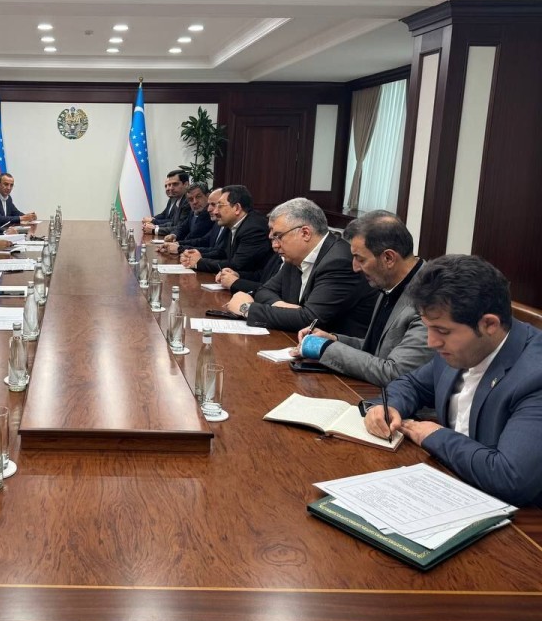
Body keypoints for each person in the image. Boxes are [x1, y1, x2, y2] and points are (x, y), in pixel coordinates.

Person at [364, 255, 542, 507]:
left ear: (489, 324)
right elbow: (413, 384)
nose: (431, 342)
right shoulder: (459, 347)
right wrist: (389, 406)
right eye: (428, 327)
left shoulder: (535, 377)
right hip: (448, 484)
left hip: (519, 519)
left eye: (442, 331)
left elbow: (510, 478)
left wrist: (435, 435)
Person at [295, 211, 432, 387]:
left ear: (388, 258)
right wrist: (334, 340)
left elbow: (395, 373)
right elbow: (378, 350)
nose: (355, 268)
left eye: (360, 259)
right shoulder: (389, 281)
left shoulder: (429, 299)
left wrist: (324, 348)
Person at [227, 197, 377, 335]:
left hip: (336, 349)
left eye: (278, 237)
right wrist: (285, 307)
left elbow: (311, 320)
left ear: (305, 233)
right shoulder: (295, 256)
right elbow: (264, 290)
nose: (274, 245)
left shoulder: (339, 262)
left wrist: (247, 308)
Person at [179, 185, 273, 275]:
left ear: (237, 208)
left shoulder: (253, 229)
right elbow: (222, 253)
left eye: (220, 206)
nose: (215, 211)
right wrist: (195, 255)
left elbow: (237, 265)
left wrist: (199, 262)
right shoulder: (234, 224)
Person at [142, 170, 189, 236]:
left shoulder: (188, 201)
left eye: (175, 184)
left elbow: (181, 228)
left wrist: (154, 229)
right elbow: (172, 223)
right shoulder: (178, 199)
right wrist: (155, 226)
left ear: (186, 184)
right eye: (168, 185)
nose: (171, 188)